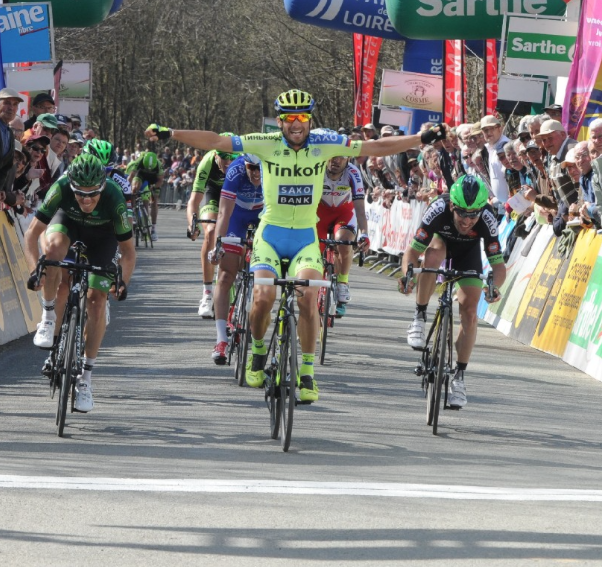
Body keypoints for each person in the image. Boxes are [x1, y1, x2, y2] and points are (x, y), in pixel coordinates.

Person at [145, 88, 448, 402]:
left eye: (302, 116)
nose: (296, 123)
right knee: (263, 295)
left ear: (310, 119)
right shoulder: (265, 144)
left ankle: (306, 373)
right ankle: (258, 352)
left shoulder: (324, 144)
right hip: (270, 237)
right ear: (279, 121)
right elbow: (216, 141)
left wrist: (420, 139)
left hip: (305, 238)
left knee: (308, 297)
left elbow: (376, 146)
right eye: (289, 117)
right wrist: (171, 133)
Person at [23, 154, 135, 413]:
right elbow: (32, 234)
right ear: (71, 185)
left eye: (93, 194)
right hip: (68, 224)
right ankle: (49, 317)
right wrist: (33, 271)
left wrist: (123, 282)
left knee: (97, 301)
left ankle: (85, 379)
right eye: (80, 194)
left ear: (102, 187)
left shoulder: (114, 198)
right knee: (53, 255)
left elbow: (128, 252)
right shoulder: (61, 186)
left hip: (102, 237)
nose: (86, 199)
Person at [398, 175, 506, 409]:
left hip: (469, 254)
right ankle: (419, 316)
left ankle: (459, 377)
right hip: (441, 244)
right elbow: (412, 252)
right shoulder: (437, 209)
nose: (468, 221)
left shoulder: (487, 219)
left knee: (469, 312)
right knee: (432, 255)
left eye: (473, 214)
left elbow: (498, 266)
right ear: (451, 206)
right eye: (462, 214)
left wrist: (494, 286)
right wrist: (407, 274)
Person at [208, 153, 265, 364]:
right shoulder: (236, 170)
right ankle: (221, 339)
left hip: (262, 216)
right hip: (237, 216)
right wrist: (218, 244)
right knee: (225, 276)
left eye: (259, 169)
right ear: (245, 164)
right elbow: (223, 213)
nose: (256, 174)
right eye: (252, 168)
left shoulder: (273, 169)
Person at [183, 145, 235, 317]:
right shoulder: (207, 161)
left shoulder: (242, 160)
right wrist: (193, 224)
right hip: (214, 195)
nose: (227, 162)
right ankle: (207, 294)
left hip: (236, 196)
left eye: (231, 158)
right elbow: (193, 201)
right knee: (211, 231)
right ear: (215, 155)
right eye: (223, 158)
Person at [315, 153, 369, 314]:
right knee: (315, 249)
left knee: (344, 242)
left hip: (343, 213)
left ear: (348, 159)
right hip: (319, 213)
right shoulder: (317, 170)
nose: (335, 160)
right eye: (332, 156)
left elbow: (359, 207)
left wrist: (364, 233)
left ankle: (342, 283)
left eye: (341, 157)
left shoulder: (353, 173)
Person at [126, 149, 164, 240]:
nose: (148, 169)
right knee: (134, 189)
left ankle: (153, 229)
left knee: (154, 200)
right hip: (141, 176)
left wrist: (154, 187)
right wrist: (126, 189)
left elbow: (160, 180)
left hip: (153, 179)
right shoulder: (139, 161)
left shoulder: (159, 165)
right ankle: (133, 214)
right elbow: (131, 177)